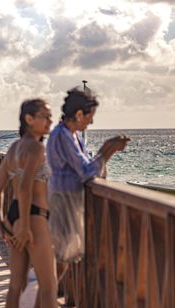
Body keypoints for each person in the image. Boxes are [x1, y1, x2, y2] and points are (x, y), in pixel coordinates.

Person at [0, 99, 68, 308]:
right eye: (44, 116)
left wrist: (1, 223)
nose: (49, 121)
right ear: (29, 120)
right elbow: (24, 187)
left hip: (15, 216)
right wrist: (24, 226)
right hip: (32, 218)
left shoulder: (13, 148)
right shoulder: (35, 149)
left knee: (16, 285)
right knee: (48, 285)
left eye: (50, 115)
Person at [46, 87, 129, 274]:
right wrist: (108, 149)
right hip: (64, 201)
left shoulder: (71, 135)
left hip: (67, 199)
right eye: (90, 116)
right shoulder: (62, 135)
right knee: (61, 262)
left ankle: (46, 301)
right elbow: (85, 171)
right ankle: (46, 301)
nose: (92, 121)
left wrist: (105, 151)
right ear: (79, 114)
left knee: (63, 262)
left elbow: (85, 168)